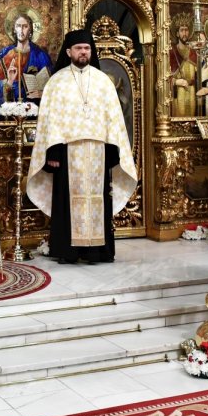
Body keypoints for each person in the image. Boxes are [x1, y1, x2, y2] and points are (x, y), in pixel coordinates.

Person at [27, 29, 138, 264]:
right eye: (78, 48)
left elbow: (113, 119)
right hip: (67, 153)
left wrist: (112, 151)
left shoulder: (102, 81)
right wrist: (53, 153)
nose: (83, 52)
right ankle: (69, 251)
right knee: (67, 200)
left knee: (98, 199)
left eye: (87, 48)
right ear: (69, 52)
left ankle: (96, 251)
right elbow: (51, 120)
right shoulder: (57, 82)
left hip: (98, 152)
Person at [0, 13, 53, 115]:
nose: (21, 30)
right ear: (13, 29)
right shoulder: (4, 54)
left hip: (33, 111)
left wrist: (43, 93)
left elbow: (52, 85)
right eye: (18, 26)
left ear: (30, 30)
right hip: (10, 110)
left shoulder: (40, 55)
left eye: (25, 26)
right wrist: (8, 83)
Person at [169, 22, 198, 117]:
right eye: (182, 30)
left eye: (186, 30)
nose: (184, 33)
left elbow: (200, 76)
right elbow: (164, 76)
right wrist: (176, 82)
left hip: (192, 93)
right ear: (177, 33)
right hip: (178, 92)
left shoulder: (194, 53)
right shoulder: (172, 53)